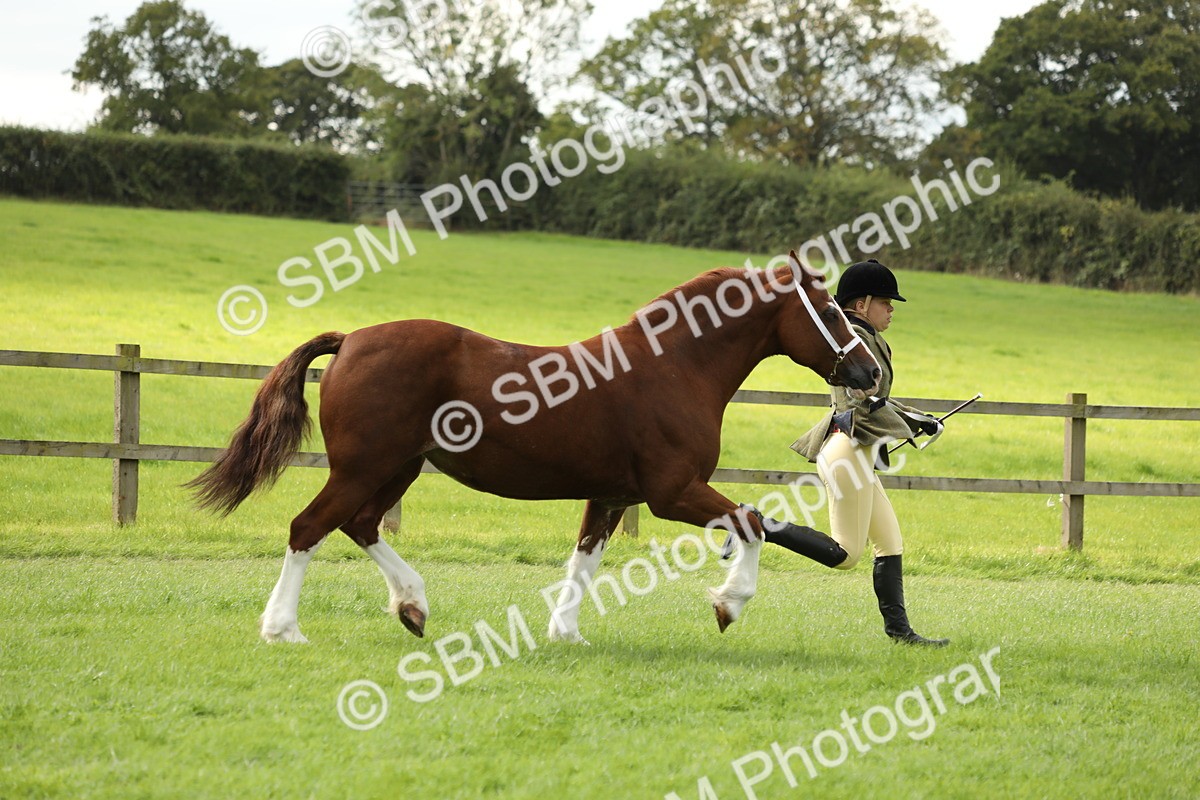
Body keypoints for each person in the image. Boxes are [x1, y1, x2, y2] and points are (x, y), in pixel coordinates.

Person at [723, 259, 949, 646]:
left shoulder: (862, 335)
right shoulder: (854, 341)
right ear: (861, 304)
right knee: (845, 555)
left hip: (856, 453)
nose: (892, 309)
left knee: (890, 543)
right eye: (885, 301)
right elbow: (861, 404)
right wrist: (913, 423)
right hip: (848, 452)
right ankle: (756, 520)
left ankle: (901, 634)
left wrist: (917, 417)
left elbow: (878, 399)